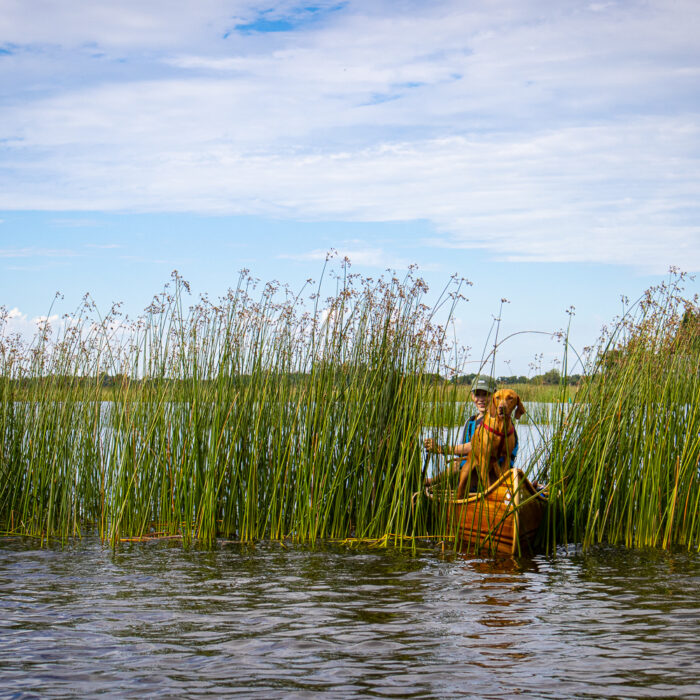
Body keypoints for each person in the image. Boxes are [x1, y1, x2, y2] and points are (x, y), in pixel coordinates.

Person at [423, 376, 518, 488]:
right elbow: (464, 455)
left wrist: (441, 449)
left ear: (494, 396)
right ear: (472, 396)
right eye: (478, 394)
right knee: (458, 466)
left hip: (494, 478)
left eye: (486, 394)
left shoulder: (499, 423)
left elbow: (474, 447)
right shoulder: (470, 422)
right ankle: (428, 482)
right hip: (471, 474)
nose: (481, 399)